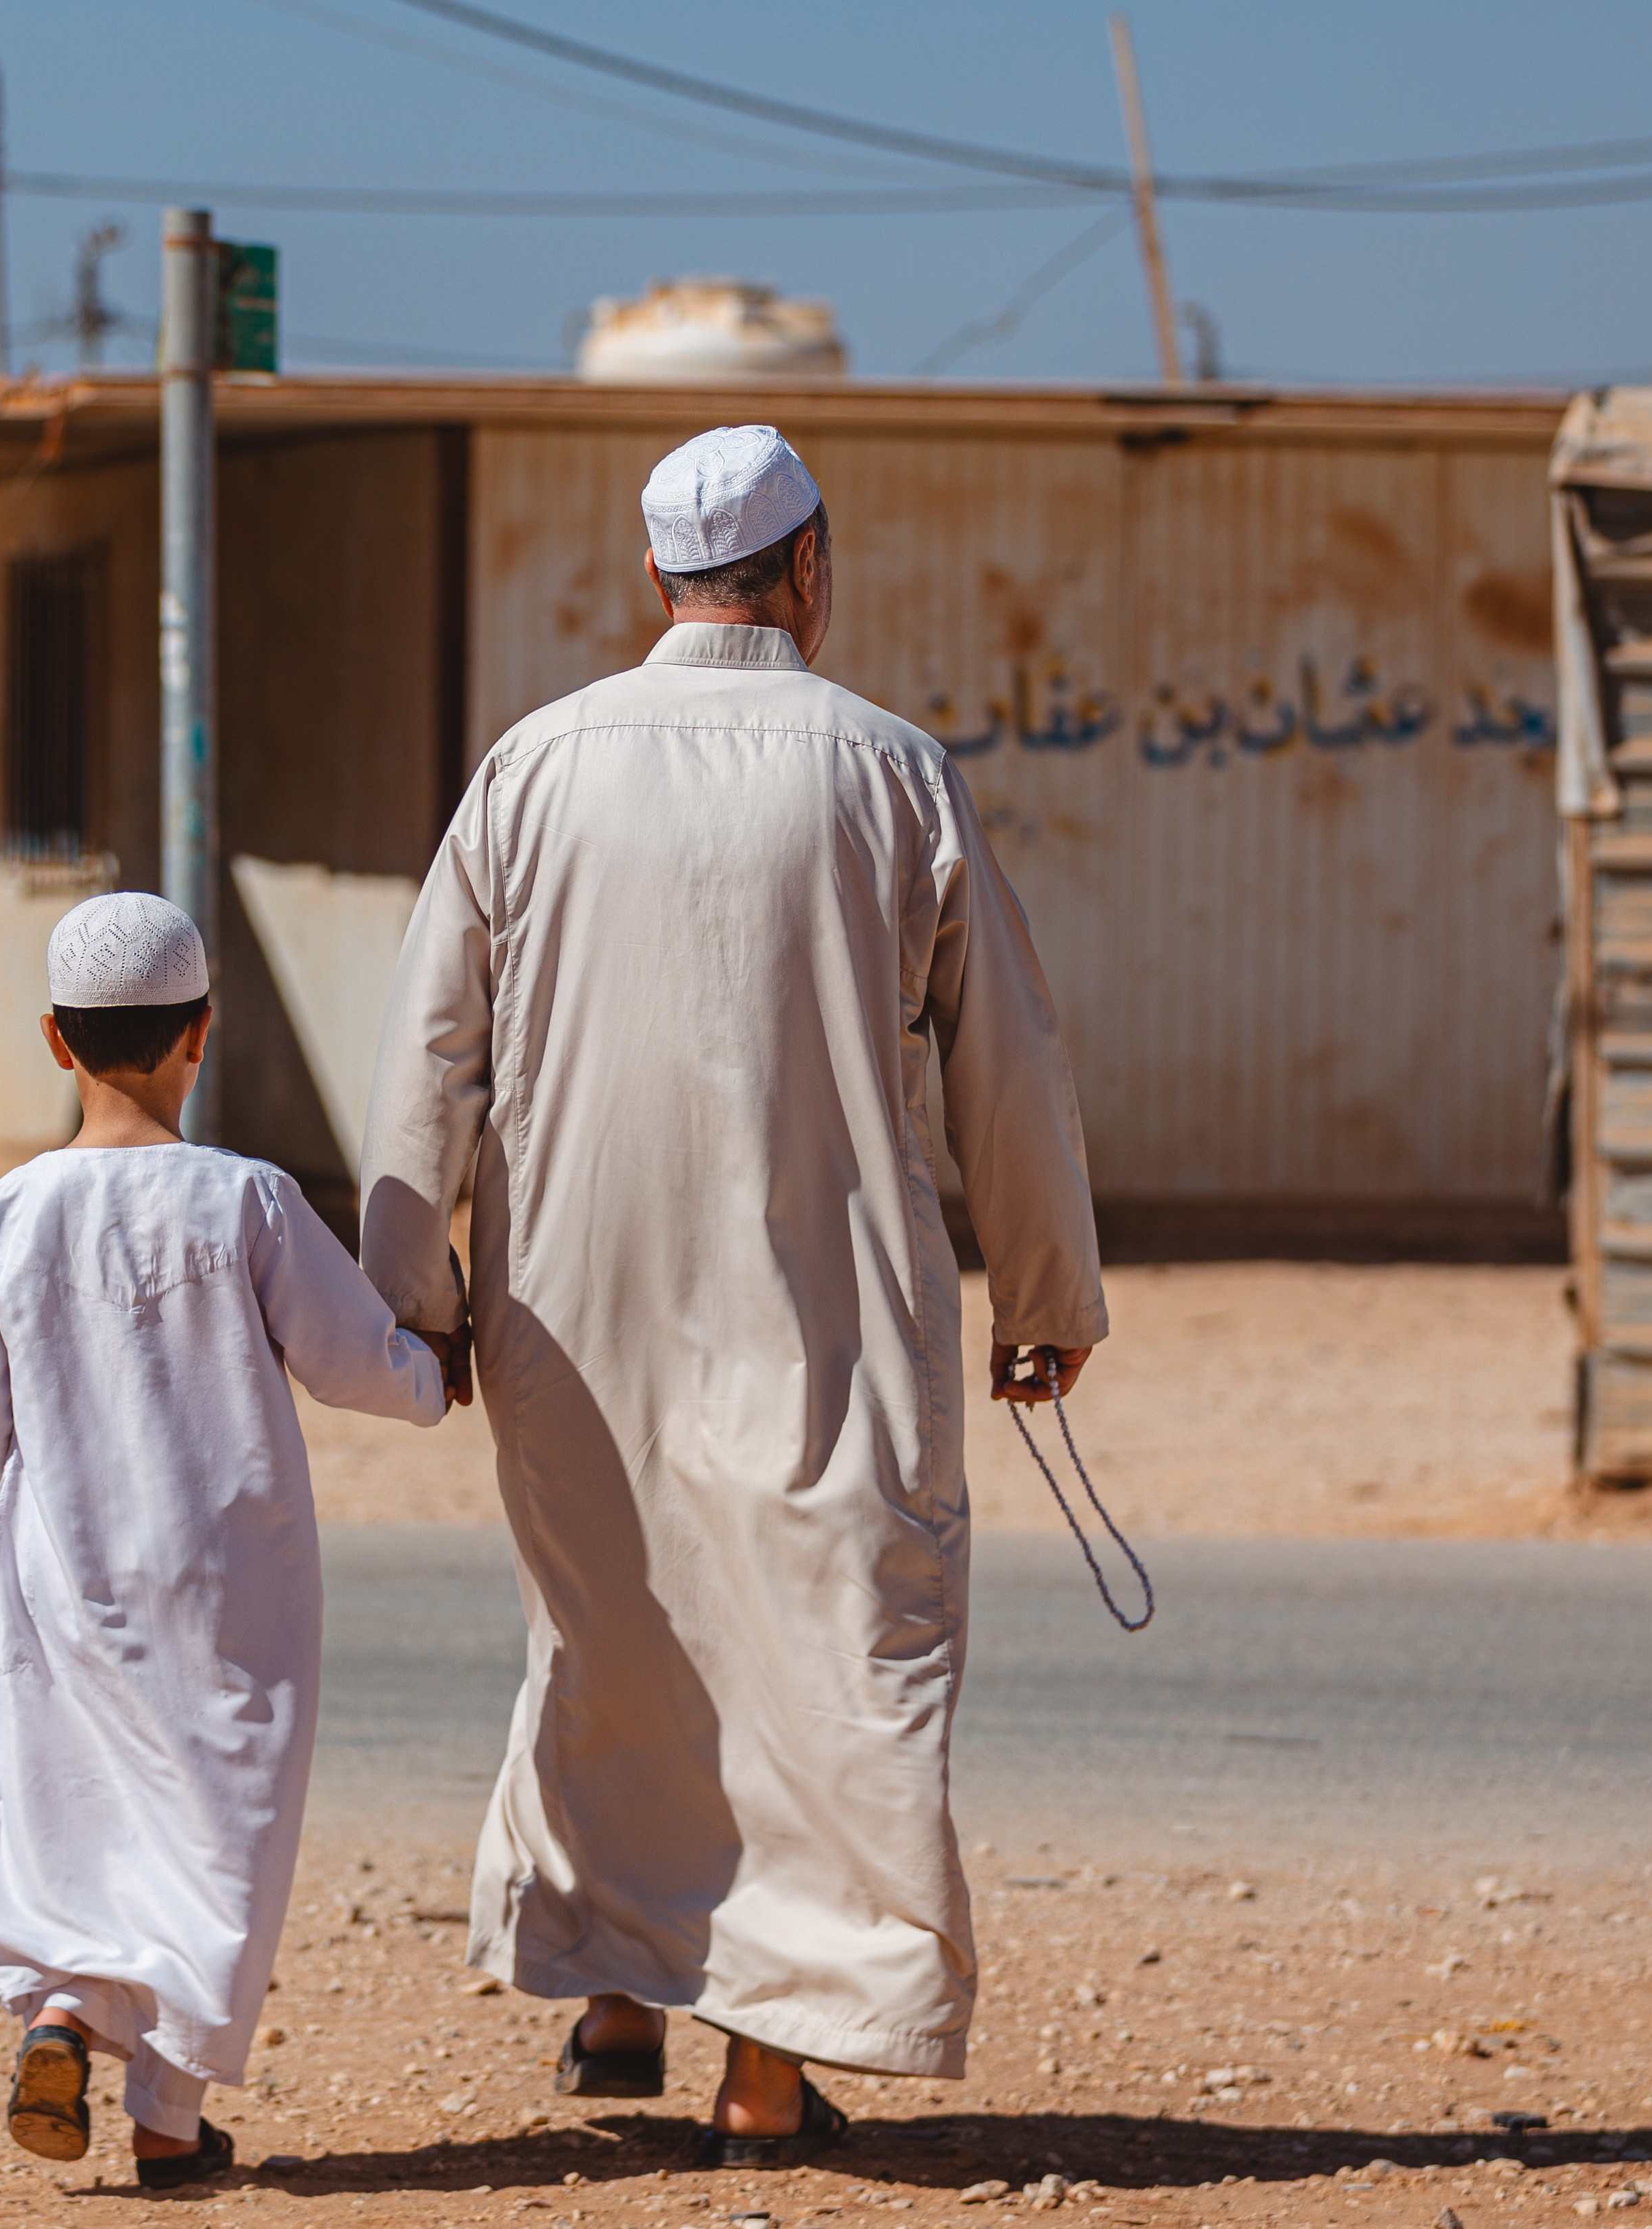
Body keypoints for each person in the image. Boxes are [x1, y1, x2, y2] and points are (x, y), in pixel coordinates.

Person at [354, 424, 1110, 2166]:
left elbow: (430, 1048)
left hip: (572, 1302)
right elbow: (1006, 1055)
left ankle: (618, 2000)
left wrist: (422, 1294)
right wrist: (1045, 1288)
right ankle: (764, 2065)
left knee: (620, 1636)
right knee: (828, 1656)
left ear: (655, 583)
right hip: (823, 1298)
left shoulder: (532, 768)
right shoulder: (891, 769)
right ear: (812, 570)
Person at [0, 891, 460, 2190]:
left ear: (56, 1042)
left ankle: (63, 2012)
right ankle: (167, 2121)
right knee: (217, 1832)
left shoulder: (14, 1210)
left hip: (68, 1576)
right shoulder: (250, 1201)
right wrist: (432, 1373)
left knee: (77, 1816)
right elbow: (349, 1358)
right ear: (201, 1035)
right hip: (232, 1586)